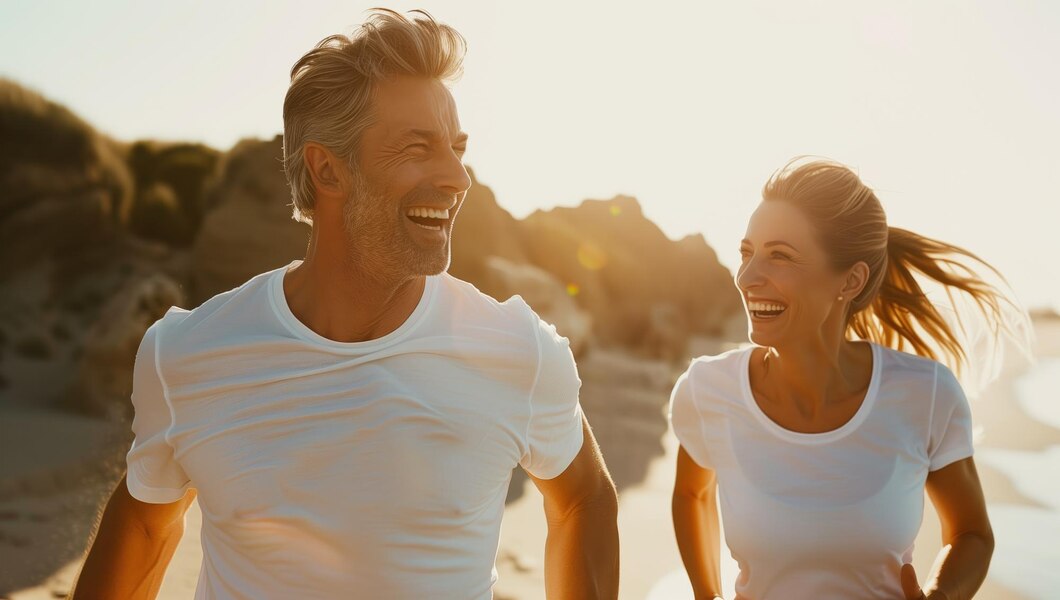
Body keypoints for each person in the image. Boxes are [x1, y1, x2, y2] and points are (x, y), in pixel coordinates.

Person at [72, 10, 619, 599]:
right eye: (418, 148)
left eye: (456, 149)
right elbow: (146, 524)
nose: (458, 176)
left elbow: (584, 498)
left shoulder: (517, 349)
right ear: (328, 169)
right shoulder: (187, 353)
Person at [670, 158, 1028, 599]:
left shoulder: (925, 394)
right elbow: (692, 494)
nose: (747, 277)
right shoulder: (708, 391)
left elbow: (972, 533)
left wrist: (939, 596)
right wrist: (707, 595)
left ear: (851, 280)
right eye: (747, 253)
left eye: (779, 256)